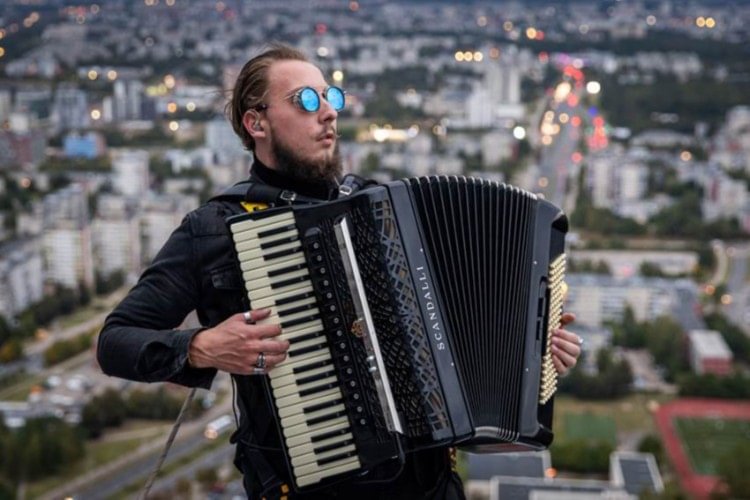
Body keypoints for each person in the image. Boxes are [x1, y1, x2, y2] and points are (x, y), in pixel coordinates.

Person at [97, 43, 583, 499]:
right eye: (304, 100)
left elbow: (460, 327)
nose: (328, 111)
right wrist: (201, 347)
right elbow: (115, 341)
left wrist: (534, 350)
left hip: (431, 488)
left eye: (330, 96)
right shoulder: (215, 229)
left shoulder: (379, 207)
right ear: (256, 123)